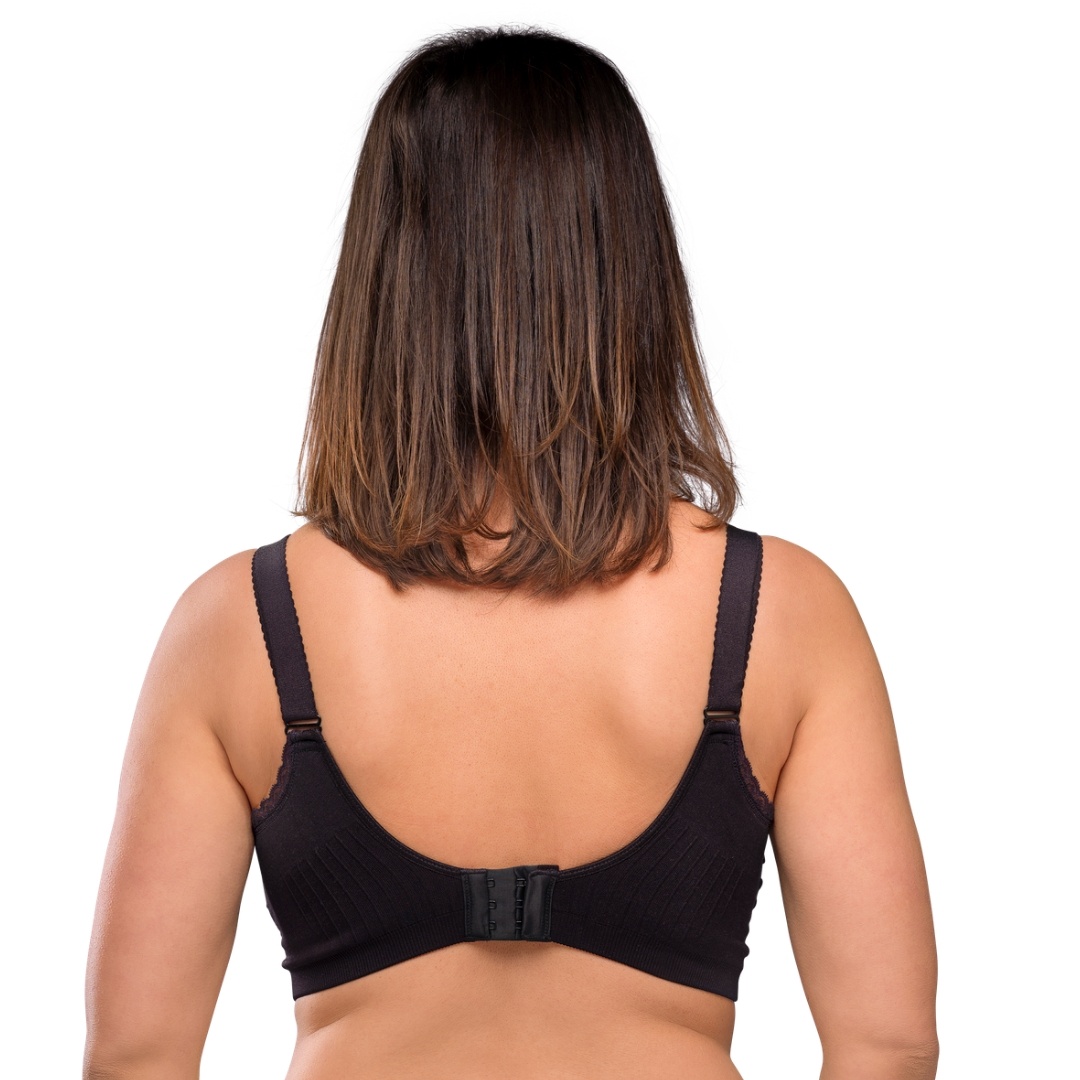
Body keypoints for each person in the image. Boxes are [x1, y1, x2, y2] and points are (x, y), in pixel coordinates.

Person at [82, 26, 938, 1080]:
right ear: (629, 265)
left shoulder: (239, 626)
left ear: (385, 275)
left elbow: (136, 1055)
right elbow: (888, 1043)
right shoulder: (782, 613)